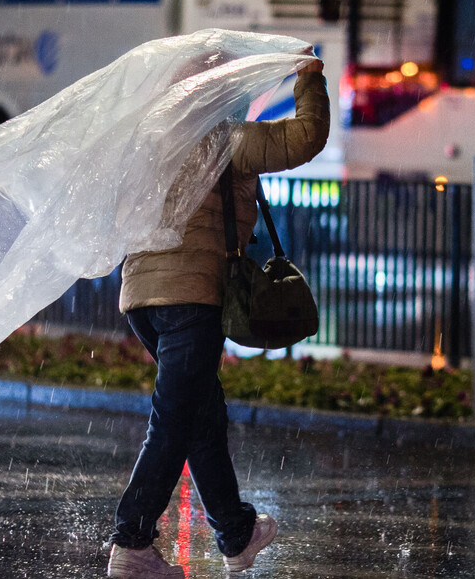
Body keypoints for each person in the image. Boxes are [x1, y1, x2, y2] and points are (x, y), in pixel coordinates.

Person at [106, 55, 330, 578]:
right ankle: (132, 541)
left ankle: (236, 534)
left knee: (201, 419)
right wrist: (309, 77)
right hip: (192, 298)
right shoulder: (222, 138)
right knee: (173, 422)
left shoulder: (150, 141)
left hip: (143, 298)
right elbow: (305, 138)